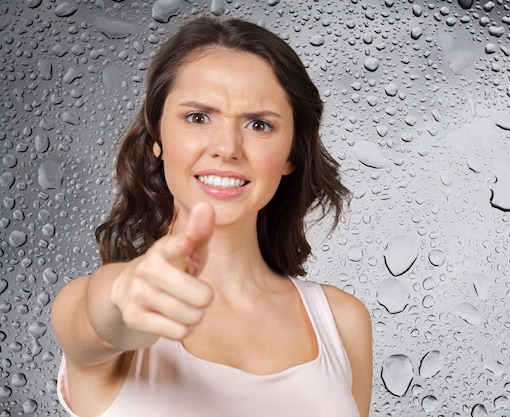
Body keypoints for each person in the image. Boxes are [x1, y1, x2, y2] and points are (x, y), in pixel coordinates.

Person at [51, 16, 372, 417]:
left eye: (259, 124)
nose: (227, 147)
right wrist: (122, 294)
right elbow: (96, 319)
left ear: (292, 154)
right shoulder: (102, 301)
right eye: (198, 117)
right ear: (157, 140)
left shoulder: (343, 322)